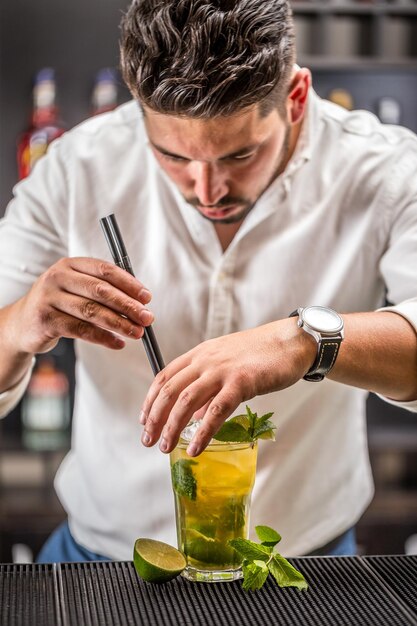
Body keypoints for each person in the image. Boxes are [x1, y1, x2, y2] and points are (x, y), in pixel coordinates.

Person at [0, 0, 416, 563]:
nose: (207, 190)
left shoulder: (385, 170)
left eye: (240, 154)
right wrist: (21, 321)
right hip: (102, 555)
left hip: (305, 557)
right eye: (171, 156)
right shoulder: (76, 169)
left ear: (294, 99)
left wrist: (305, 342)